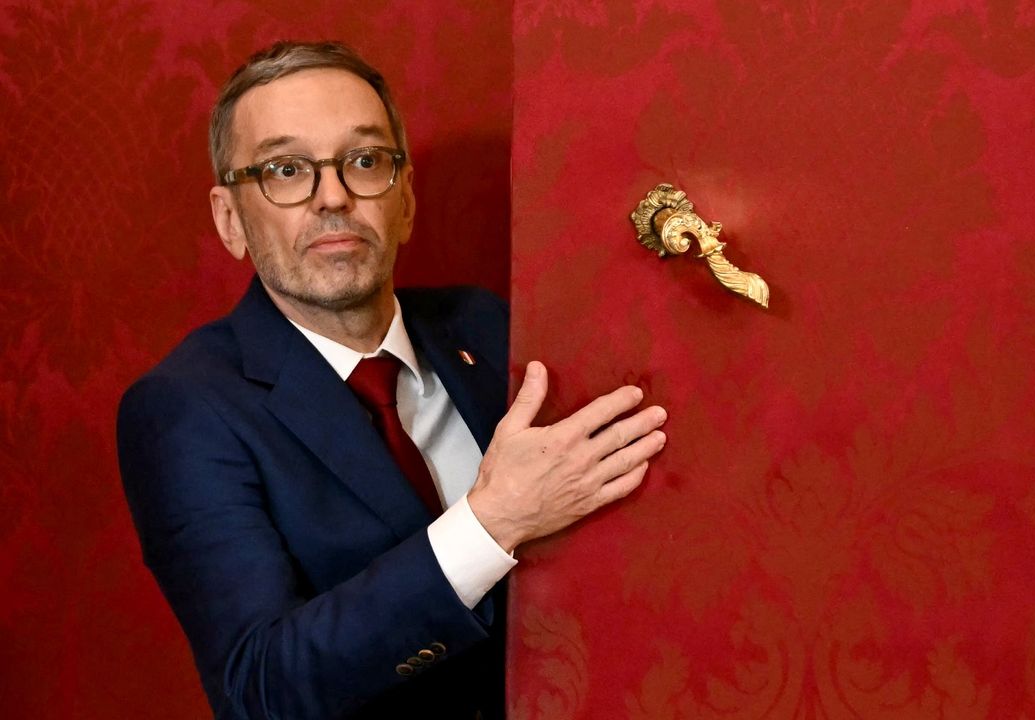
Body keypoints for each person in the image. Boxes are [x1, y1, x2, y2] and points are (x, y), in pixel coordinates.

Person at [116, 41, 667, 720]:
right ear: (231, 220)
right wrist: (493, 522)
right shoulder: (184, 409)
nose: (334, 197)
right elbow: (260, 688)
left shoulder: (491, 328)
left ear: (404, 201)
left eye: (365, 161)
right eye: (286, 170)